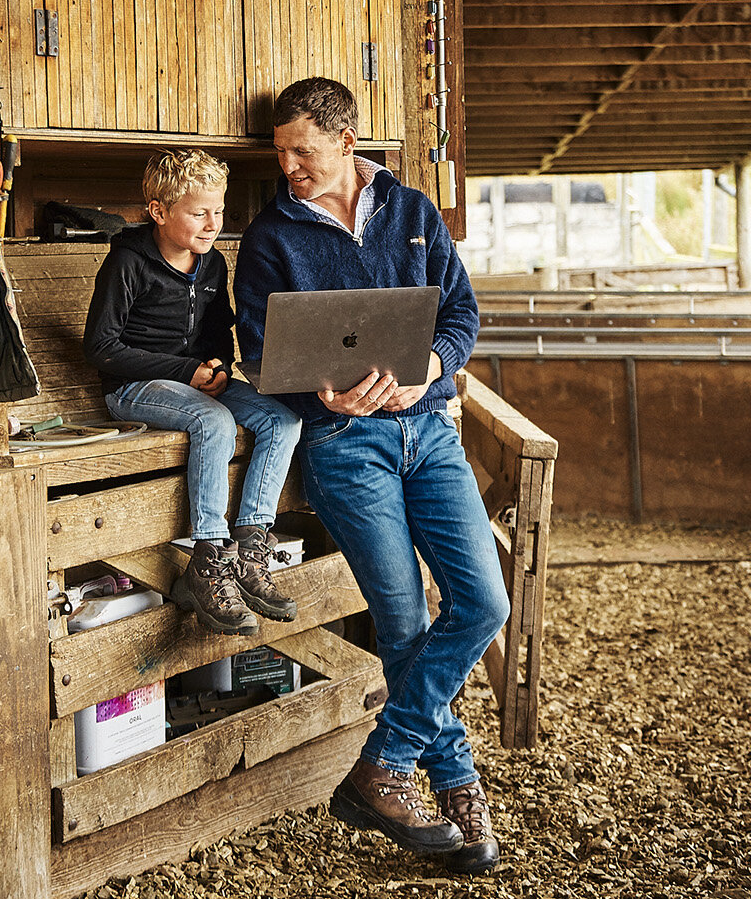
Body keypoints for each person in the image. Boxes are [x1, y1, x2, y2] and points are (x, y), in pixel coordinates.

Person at [234, 78, 508, 874]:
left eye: (302, 150)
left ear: (348, 142)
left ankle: (382, 764)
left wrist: (430, 368)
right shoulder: (268, 237)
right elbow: (260, 344)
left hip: (427, 430)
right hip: (344, 444)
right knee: (403, 622)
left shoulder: (415, 214)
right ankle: (456, 786)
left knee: (483, 599)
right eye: (280, 151)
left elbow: (461, 313)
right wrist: (311, 387)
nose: (288, 165)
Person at [84, 149, 301, 637]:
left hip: (198, 384)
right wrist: (187, 371)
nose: (212, 224)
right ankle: (207, 560)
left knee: (282, 419)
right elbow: (100, 346)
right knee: (215, 422)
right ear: (159, 212)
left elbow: (218, 332)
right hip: (134, 388)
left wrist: (220, 365)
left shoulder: (211, 265)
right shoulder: (128, 262)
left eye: (218, 211)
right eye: (199, 212)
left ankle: (250, 548)